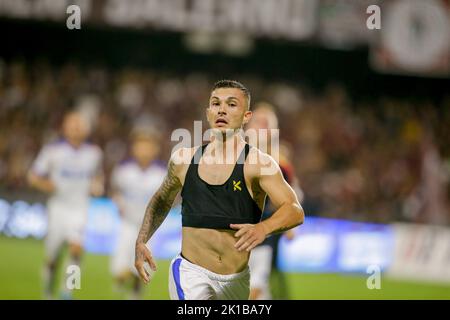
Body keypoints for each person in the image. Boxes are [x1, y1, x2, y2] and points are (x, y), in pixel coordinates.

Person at [134, 80, 304, 300]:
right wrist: (141, 240)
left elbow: (294, 209)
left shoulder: (260, 164)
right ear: (208, 113)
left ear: (246, 116)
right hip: (190, 273)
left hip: (236, 280)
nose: (222, 109)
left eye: (232, 104)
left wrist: (263, 228)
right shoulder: (183, 160)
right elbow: (161, 200)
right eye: (216, 103)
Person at [28, 111, 104, 300]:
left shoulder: (94, 153)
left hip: (80, 208)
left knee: (76, 249)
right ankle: (47, 290)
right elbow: (33, 176)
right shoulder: (52, 150)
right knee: (53, 256)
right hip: (58, 208)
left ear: (86, 129)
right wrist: (46, 184)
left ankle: (67, 292)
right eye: (72, 123)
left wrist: (97, 185)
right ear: (64, 127)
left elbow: (97, 176)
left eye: (80, 124)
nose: (76, 127)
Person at [110, 128, 166, 299]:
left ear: (155, 149)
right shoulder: (123, 170)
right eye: (140, 146)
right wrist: (118, 202)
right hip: (128, 224)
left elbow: (169, 198)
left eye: (148, 147)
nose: (144, 151)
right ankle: (123, 278)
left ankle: (134, 293)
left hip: (150, 230)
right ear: (134, 148)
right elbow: (114, 190)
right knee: (119, 270)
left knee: (143, 270)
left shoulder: (162, 173)